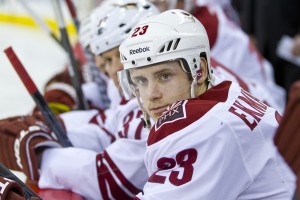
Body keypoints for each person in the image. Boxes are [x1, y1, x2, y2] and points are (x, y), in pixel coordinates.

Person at [117, 9, 296, 199]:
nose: (151, 95)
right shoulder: (220, 90)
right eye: (141, 81)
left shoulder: (203, 127)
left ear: (199, 70)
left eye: (164, 76)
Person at [0, 1, 159, 199]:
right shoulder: (135, 94)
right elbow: (108, 127)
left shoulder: (156, 106)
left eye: (109, 59)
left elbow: (110, 182)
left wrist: (41, 156)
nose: (103, 68)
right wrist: (50, 128)